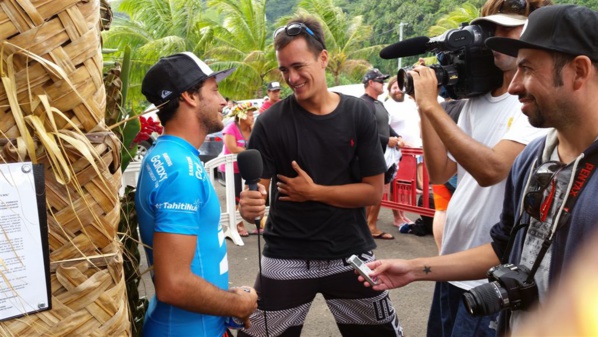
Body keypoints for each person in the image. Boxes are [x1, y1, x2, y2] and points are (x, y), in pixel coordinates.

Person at [358, 4, 598, 336]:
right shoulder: (532, 159)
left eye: (527, 69)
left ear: (580, 71)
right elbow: (503, 247)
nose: (515, 86)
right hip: (493, 300)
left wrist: (431, 106)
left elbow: (491, 169)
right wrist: (413, 268)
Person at [238, 15, 403, 337]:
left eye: (299, 66)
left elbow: (372, 192)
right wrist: (250, 202)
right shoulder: (270, 123)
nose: (292, 77)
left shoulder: (359, 114)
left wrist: (315, 192)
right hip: (285, 256)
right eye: (284, 70)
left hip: (351, 255)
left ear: (323, 58)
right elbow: (259, 186)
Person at [407, 0, 552, 336]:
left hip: (489, 277)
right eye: (491, 29)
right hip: (452, 265)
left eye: (508, 29)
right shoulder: (478, 100)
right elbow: (442, 172)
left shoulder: (535, 104)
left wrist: (433, 105)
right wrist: (425, 107)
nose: (496, 38)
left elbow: (492, 169)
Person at [136, 52, 258, 336]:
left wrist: (226, 300)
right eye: (214, 90)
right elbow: (174, 284)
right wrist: (236, 304)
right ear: (190, 96)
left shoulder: (168, 156)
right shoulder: (181, 169)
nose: (223, 101)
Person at [360, 69, 403, 240]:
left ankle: (370, 226)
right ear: (370, 83)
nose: (383, 83)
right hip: (370, 154)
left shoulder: (379, 104)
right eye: (380, 81)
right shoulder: (363, 104)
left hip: (382, 155)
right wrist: (387, 140)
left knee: (378, 192)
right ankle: (365, 226)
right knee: (370, 193)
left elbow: (385, 125)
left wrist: (397, 136)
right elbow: (364, 132)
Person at [219, 101, 257, 237]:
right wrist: (250, 153)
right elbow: (232, 148)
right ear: (241, 116)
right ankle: (237, 224)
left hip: (245, 169)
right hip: (231, 169)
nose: (253, 117)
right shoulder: (231, 128)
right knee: (235, 198)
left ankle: (252, 222)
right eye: (250, 114)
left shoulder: (252, 129)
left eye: (253, 114)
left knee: (247, 195)